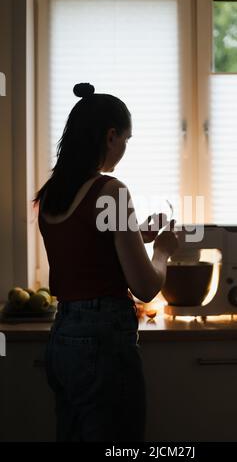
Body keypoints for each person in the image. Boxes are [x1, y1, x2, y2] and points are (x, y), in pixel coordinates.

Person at [33, 82, 179, 442]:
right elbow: (145, 287)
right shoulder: (111, 190)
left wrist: (133, 234)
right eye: (126, 140)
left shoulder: (52, 193)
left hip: (63, 335)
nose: (124, 149)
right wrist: (162, 250)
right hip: (103, 341)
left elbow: (85, 245)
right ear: (111, 136)